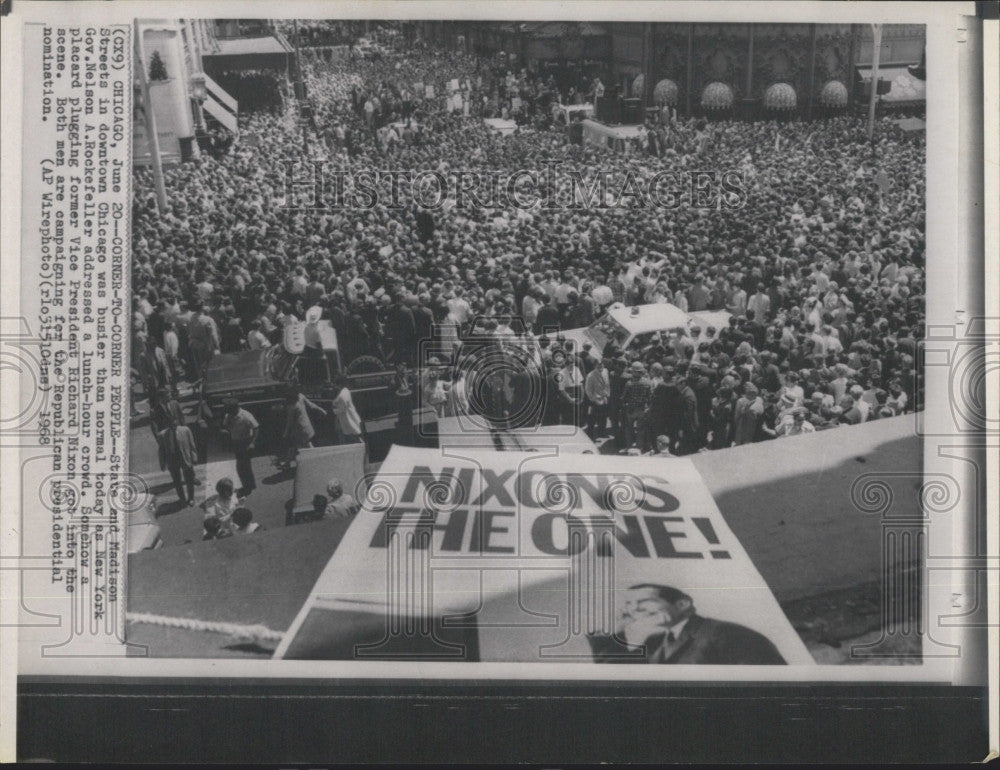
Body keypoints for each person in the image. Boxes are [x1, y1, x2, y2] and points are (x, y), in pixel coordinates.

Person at [586, 584, 786, 664]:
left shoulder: (725, 633)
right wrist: (613, 632)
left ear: (683, 604)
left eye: (644, 601)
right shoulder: (655, 643)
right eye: (630, 605)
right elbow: (621, 679)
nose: (634, 610)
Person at [279, 385, 329, 468]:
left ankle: (315, 461)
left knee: (300, 446)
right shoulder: (301, 396)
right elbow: (311, 405)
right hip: (307, 426)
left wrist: (286, 433)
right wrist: (321, 409)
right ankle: (287, 463)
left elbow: (289, 422)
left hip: (298, 430)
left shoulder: (291, 406)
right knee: (301, 444)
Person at [156, 415, 198, 507]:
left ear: (177, 422)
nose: (174, 426)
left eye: (175, 424)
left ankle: (191, 498)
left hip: (185, 457)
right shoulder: (162, 435)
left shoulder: (185, 430)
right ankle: (182, 499)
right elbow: (161, 450)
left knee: (189, 479)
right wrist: (162, 463)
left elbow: (192, 444)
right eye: (171, 425)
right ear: (167, 425)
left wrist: (194, 457)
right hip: (172, 458)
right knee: (177, 481)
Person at [222, 398, 259, 495]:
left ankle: (247, 487)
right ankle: (250, 485)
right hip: (236, 442)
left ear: (235, 408)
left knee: (242, 466)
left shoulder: (246, 416)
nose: (229, 413)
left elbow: (256, 428)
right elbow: (225, 426)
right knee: (244, 466)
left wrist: (252, 443)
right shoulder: (229, 415)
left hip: (245, 442)